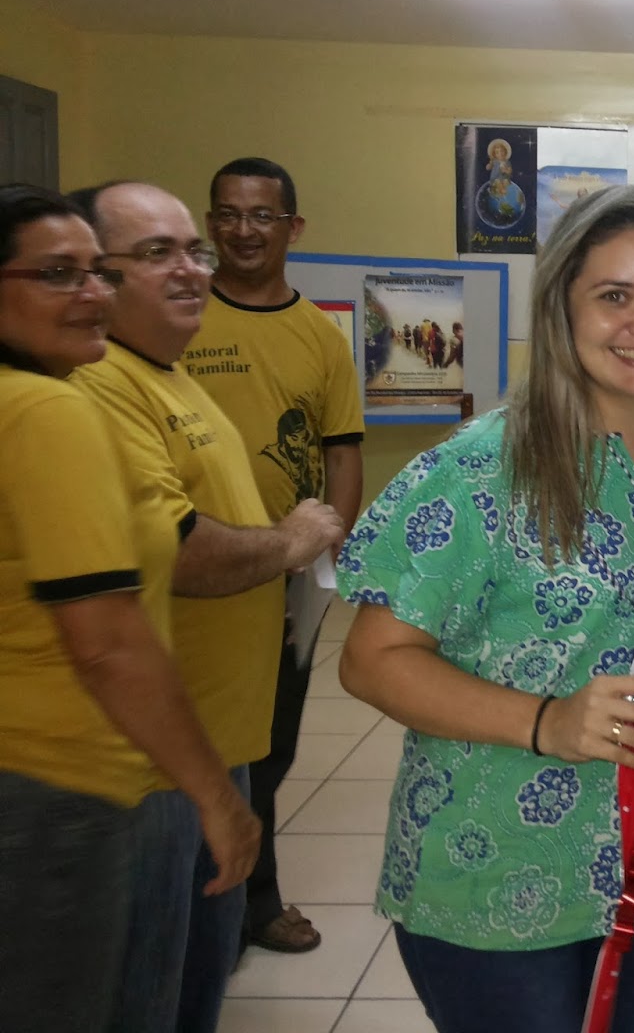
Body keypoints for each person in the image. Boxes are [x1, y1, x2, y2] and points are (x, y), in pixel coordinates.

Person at [337, 184, 634, 1033]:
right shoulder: (481, 467)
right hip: (501, 874)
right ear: (562, 304)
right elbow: (371, 660)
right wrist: (547, 720)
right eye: (615, 295)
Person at [70, 181, 344, 1033]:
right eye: (157, 253)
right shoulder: (100, 385)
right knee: (149, 992)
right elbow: (176, 550)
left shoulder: (169, 373)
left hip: (217, 742)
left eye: (191, 248)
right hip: (156, 760)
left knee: (199, 978)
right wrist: (289, 544)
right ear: (94, 276)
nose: (191, 267)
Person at [0, 184, 259, 1033]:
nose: (90, 294)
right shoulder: (48, 409)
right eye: (55, 273)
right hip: (59, 778)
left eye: (94, 273)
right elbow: (107, 639)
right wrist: (214, 796)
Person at [189, 156, 365, 956]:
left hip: (286, 582)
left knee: (270, 745)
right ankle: (201, 909)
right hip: (192, 573)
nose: (243, 229)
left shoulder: (319, 337)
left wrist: (327, 556)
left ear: (293, 227)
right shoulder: (180, 318)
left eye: (262, 215)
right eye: (227, 214)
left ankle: (252, 902)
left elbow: (342, 452)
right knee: (194, 743)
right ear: (210, 223)